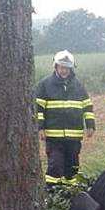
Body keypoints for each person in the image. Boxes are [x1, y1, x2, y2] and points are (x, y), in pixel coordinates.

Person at [35, 50, 95, 190]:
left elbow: (87, 106)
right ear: (55, 67)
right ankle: (52, 194)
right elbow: (38, 109)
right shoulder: (45, 85)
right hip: (53, 136)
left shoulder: (78, 85)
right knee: (55, 166)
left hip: (74, 136)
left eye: (67, 68)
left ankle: (69, 195)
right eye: (61, 67)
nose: (64, 71)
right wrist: (40, 128)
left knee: (72, 167)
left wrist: (90, 125)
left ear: (71, 68)